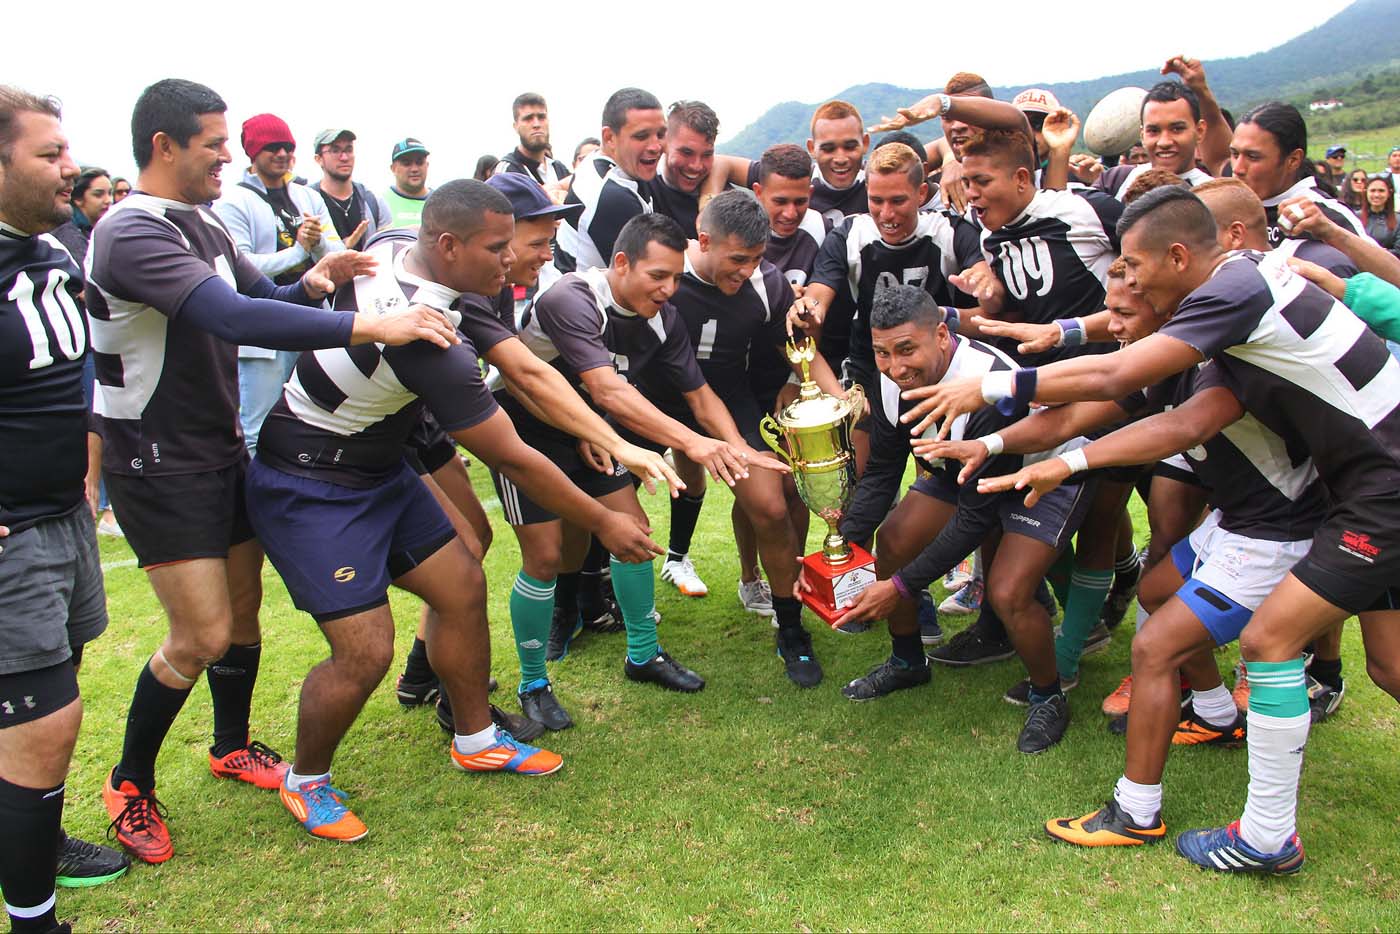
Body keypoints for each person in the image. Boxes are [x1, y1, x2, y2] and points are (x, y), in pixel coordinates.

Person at [900, 185, 1400, 874]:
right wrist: (1008, 442)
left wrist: (986, 388)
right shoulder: (1235, 311)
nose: (1125, 288)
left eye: (1134, 270)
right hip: (1344, 490)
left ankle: (1221, 828)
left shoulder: (1227, 303)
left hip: (1363, 495)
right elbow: (1116, 388)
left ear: (1177, 259)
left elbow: (1128, 383)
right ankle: (1219, 722)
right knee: (1383, 662)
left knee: (1246, 640)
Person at [86, 78, 458, 865]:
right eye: (216, 145)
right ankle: (129, 784)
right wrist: (369, 321)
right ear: (165, 147)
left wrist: (324, 278)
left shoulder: (201, 224)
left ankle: (230, 746)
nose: (232, 156)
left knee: (244, 617)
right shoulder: (130, 231)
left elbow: (271, 293)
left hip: (219, 448)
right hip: (158, 464)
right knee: (201, 634)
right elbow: (227, 316)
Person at [246, 180, 673, 840]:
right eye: (497, 247)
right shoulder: (427, 340)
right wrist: (606, 520)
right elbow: (515, 457)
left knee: (462, 585)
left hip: (380, 465)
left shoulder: (400, 247)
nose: (510, 260)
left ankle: (475, 737)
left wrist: (612, 441)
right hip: (309, 482)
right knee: (364, 651)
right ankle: (307, 780)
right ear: (448, 245)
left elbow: (531, 373)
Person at [394, 171, 681, 731]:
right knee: (533, 555)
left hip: (565, 421)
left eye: (552, 239)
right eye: (532, 241)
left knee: (629, 526)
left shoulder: (522, 284)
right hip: (499, 429)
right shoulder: (466, 285)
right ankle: (527, 683)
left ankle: (643, 654)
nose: (545, 252)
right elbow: (520, 379)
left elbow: (549, 374)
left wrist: (593, 433)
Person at [512, 212, 786, 690]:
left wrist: (738, 447)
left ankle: (642, 654)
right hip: (523, 427)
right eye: (657, 276)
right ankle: (556, 629)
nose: (667, 289)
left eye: (677, 278)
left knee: (632, 530)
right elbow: (607, 390)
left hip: (593, 427)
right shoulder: (571, 297)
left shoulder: (664, 319)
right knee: (549, 548)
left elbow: (699, 395)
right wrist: (693, 443)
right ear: (621, 263)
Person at [820, 284, 1092, 754]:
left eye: (907, 349)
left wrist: (900, 587)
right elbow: (885, 466)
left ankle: (1048, 695)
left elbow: (977, 518)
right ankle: (908, 661)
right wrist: (841, 544)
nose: (895, 366)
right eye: (882, 352)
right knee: (897, 539)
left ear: (942, 335)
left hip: (1040, 474)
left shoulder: (990, 380)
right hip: (963, 469)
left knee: (1009, 591)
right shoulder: (886, 378)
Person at [0, 84, 131, 934]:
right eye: (48, 154)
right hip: (14, 535)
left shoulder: (53, 252)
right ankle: (34, 921)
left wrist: (86, 481)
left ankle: (32, 846)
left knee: (55, 689)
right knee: (44, 721)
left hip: (64, 515)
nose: (69, 165)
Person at [647, 189, 839, 684]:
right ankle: (584, 601)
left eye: (757, 258)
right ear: (704, 240)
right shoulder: (664, 275)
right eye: (737, 258)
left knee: (772, 506)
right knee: (606, 502)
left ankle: (791, 628)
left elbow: (796, 348)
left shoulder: (765, 281)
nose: (747, 270)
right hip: (651, 403)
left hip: (728, 401)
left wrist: (836, 405)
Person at [214, 113, 345, 457]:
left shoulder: (308, 197)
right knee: (260, 427)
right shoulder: (233, 202)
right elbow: (240, 265)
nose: (282, 154)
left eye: (287, 146)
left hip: (313, 319)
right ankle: (256, 503)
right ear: (253, 153)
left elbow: (337, 254)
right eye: (272, 147)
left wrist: (316, 246)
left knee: (317, 417)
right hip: (263, 331)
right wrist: (299, 251)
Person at [555, 88, 665, 277]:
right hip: (581, 301)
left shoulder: (600, 163)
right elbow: (650, 276)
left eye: (661, 134)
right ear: (609, 138)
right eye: (641, 136)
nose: (655, 146)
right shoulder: (613, 197)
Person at [1228, 103, 1368, 245]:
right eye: (1234, 154)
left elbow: (1386, 267)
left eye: (1253, 156)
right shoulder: (1225, 208)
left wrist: (1333, 233)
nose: (1238, 168)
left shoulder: (1328, 217)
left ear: (1293, 160)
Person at [648, 101, 718, 238]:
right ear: (665, 144)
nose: (696, 166)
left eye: (707, 155)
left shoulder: (722, 191)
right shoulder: (644, 190)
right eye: (686, 153)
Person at [309, 128, 389, 249]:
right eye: (335, 150)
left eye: (349, 149)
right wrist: (341, 248)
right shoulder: (307, 202)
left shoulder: (373, 202)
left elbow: (386, 248)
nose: (344, 157)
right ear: (319, 159)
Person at [495, 93, 571, 187]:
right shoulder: (506, 173)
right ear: (516, 127)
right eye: (528, 118)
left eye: (541, 117)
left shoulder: (560, 169)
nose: (536, 124)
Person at [382, 138, 431, 229]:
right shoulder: (380, 204)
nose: (414, 169)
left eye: (419, 162)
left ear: (427, 165)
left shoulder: (441, 203)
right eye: (406, 163)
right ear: (393, 168)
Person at [1361, 174, 1399, 252]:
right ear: (1366, 192)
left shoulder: (1398, 220)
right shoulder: (1354, 217)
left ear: (1389, 193)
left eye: (1381, 191)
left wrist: (1379, 253)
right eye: (1372, 190)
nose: (1376, 195)